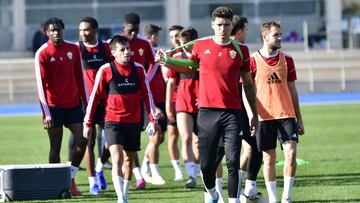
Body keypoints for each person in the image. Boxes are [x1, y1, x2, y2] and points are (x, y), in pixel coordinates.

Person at [156, 7, 258, 203]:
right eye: (219, 25)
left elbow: (248, 84)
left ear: (231, 26)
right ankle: (212, 194)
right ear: (213, 25)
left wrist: (253, 113)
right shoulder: (201, 46)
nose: (222, 29)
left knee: (233, 162)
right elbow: (189, 67)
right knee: (206, 166)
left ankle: (234, 200)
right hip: (207, 113)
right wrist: (167, 62)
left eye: (226, 25)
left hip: (233, 113)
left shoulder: (241, 50)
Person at [83, 35, 158, 203]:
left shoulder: (138, 69)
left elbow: (147, 95)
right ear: (114, 53)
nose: (127, 53)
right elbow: (94, 97)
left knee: (128, 160)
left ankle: (124, 194)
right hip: (112, 122)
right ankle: (121, 198)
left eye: (128, 49)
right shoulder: (106, 70)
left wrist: (153, 119)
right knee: (116, 158)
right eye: (122, 50)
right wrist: (87, 122)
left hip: (133, 122)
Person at [250, 20, 305, 203]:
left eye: (280, 33)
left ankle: (286, 197)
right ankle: (273, 199)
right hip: (264, 117)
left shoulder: (287, 59)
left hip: (286, 115)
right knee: (269, 159)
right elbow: (246, 90)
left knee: (291, 154)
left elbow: (293, 90)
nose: (280, 37)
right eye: (276, 34)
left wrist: (299, 118)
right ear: (265, 36)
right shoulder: (252, 60)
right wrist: (251, 115)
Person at [34, 17, 87, 196]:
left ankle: (70, 179)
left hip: (73, 106)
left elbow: (81, 78)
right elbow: (40, 86)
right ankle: (55, 184)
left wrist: (86, 104)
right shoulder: (42, 53)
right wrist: (46, 113)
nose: (56, 32)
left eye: (58, 29)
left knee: (83, 140)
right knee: (55, 148)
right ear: (46, 32)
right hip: (54, 108)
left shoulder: (73, 49)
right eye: (52, 30)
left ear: (62, 30)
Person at [120, 12, 160, 188]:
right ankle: (102, 169)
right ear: (124, 28)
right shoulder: (118, 42)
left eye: (136, 30)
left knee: (150, 133)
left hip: (140, 97)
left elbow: (154, 63)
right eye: (130, 30)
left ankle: (144, 171)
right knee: (119, 140)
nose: (133, 34)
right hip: (121, 98)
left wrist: (145, 80)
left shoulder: (144, 43)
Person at [76, 16, 113, 195]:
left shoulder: (106, 48)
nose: (83, 33)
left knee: (112, 140)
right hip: (86, 104)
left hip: (107, 102)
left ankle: (99, 168)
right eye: (81, 30)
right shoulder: (77, 49)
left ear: (95, 30)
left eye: (87, 29)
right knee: (87, 143)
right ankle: (93, 184)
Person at [232, 15, 263, 201]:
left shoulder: (242, 50)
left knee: (253, 148)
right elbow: (245, 84)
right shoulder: (236, 50)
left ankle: (248, 190)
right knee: (227, 153)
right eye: (246, 29)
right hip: (231, 108)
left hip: (241, 107)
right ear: (241, 30)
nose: (247, 32)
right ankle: (217, 192)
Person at [166, 27, 200, 188]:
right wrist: (168, 105)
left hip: (202, 102)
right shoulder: (176, 56)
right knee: (185, 138)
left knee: (199, 141)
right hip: (183, 102)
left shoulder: (203, 56)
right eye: (181, 43)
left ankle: (199, 169)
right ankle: (191, 176)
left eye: (186, 43)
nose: (183, 46)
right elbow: (172, 82)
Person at [136, 20, 168, 186]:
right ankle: (154, 172)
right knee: (155, 137)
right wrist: (152, 105)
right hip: (151, 101)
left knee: (160, 137)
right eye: (157, 36)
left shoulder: (157, 54)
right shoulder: (147, 57)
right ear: (152, 37)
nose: (158, 39)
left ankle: (144, 167)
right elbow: (144, 82)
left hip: (161, 99)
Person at [164, 25, 185, 182]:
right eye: (172, 36)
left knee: (191, 137)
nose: (176, 38)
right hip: (174, 100)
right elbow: (170, 83)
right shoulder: (170, 55)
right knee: (173, 136)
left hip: (190, 101)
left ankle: (194, 167)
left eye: (178, 35)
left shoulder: (191, 53)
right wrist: (168, 105)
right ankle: (178, 170)